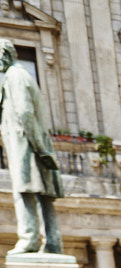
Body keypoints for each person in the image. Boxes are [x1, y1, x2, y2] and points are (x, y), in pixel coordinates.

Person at [0, 40, 63, 255]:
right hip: (33, 144)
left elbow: (24, 112)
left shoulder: (14, 76)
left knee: (24, 191)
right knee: (43, 196)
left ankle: (29, 239)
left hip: (26, 145)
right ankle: (53, 242)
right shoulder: (23, 74)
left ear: (4, 55)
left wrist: (38, 147)